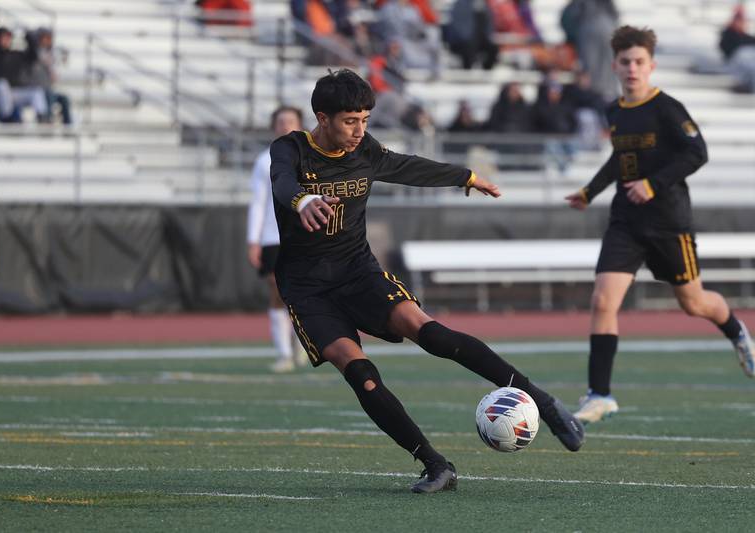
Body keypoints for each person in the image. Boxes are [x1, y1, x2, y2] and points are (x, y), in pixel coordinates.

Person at [270, 69, 584, 494]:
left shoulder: (365, 149)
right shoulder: (289, 149)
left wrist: (465, 177)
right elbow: (282, 181)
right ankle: (436, 465)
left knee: (431, 333)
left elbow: (405, 166)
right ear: (322, 118)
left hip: (357, 271)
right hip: (307, 288)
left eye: (365, 119)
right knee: (361, 374)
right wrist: (303, 199)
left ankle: (542, 402)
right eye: (350, 121)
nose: (359, 130)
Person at [565, 26, 755, 425]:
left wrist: (654, 184)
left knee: (694, 304)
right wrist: (590, 191)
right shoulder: (614, 110)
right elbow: (619, 160)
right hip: (625, 222)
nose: (633, 68)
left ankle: (735, 329)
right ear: (615, 65)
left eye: (639, 62)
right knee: (603, 300)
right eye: (625, 62)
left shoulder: (667, 108)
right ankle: (599, 394)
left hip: (670, 224)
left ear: (651, 65)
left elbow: (698, 152)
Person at [248, 106, 308, 373]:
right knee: (276, 293)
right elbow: (258, 203)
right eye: (280, 122)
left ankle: (303, 345)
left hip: (305, 234)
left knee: (304, 294)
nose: (285, 126)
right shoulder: (264, 161)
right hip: (273, 238)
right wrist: (254, 240)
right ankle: (284, 353)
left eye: (290, 122)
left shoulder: (312, 157)